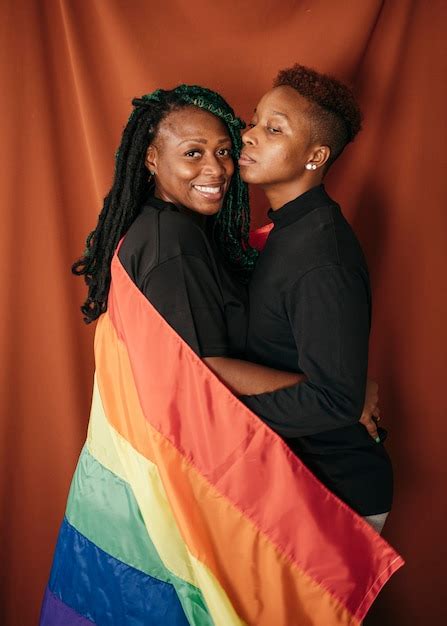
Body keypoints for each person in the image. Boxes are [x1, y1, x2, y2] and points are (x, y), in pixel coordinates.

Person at [238, 64, 393, 534]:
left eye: (273, 128)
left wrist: (220, 419)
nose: (248, 136)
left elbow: (334, 400)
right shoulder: (287, 230)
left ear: (315, 155)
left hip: (336, 494)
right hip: (295, 481)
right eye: (254, 121)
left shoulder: (322, 255)